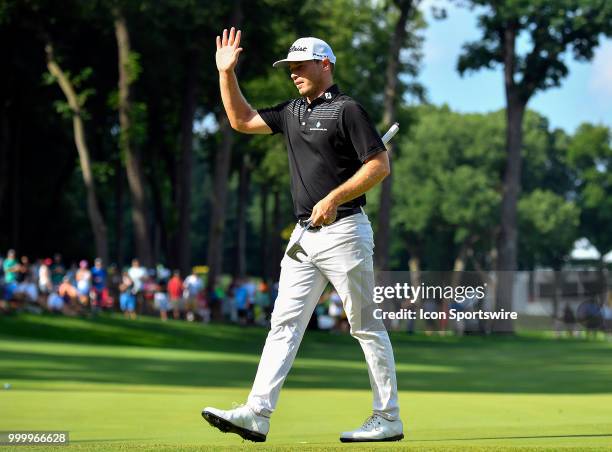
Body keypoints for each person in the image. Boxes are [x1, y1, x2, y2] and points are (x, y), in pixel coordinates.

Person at [202, 29, 402, 443]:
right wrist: (226, 74)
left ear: (324, 64)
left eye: (300, 66)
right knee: (283, 324)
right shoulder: (291, 111)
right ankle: (257, 413)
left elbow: (379, 165)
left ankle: (387, 417)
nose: (293, 74)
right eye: (289, 68)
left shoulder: (348, 110)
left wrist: (334, 196)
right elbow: (241, 120)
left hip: (345, 229)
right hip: (303, 236)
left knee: (364, 325)